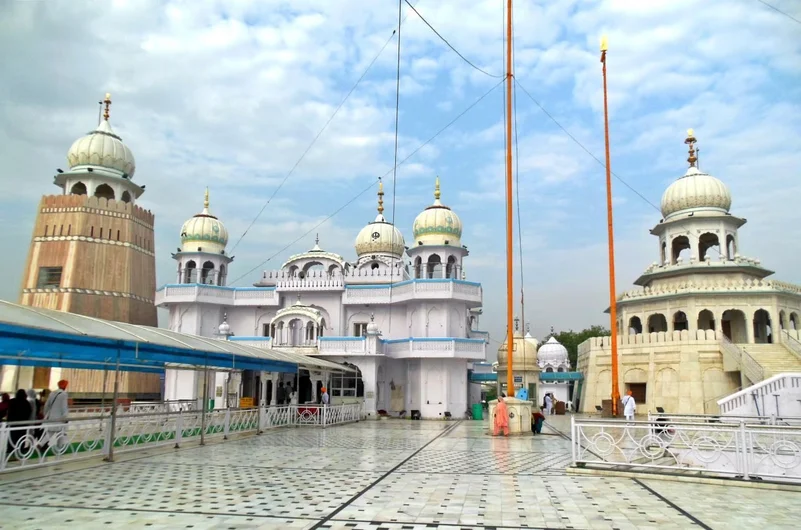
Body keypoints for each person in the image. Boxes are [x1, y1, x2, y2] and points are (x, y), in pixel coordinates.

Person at [40, 380, 70, 452]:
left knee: (50, 432)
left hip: (51, 417)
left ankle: (40, 444)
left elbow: (47, 405)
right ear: (65, 386)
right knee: (61, 433)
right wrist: (65, 417)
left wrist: (46, 414)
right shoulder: (64, 394)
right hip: (60, 418)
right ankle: (59, 448)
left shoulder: (52, 393)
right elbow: (64, 407)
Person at [7, 389, 33, 455]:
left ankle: (10, 452)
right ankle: (20, 452)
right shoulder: (27, 403)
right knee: (21, 439)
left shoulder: (12, 401)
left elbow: (9, 412)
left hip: (12, 424)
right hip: (22, 424)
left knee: (12, 439)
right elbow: (29, 413)